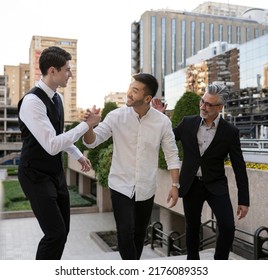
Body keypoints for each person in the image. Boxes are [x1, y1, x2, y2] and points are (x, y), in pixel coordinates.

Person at [83, 73, 181, 260]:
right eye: (130, 88)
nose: (129, 93)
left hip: (146, 187)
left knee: (139, 234)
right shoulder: (116, 116)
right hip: (120, 185)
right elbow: (92, 142)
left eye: (134, 91)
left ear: (147, 98)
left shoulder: (162, 122)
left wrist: (175, 186)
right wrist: (88, 126)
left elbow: (172, 155)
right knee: (125, 232)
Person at [17, 46, 101, 260]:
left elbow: (59, 134)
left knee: (62, 232)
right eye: (67, 69)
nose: (70, 74)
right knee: (55, 234)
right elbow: (52, 145)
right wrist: (86, 125)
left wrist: (78, 154)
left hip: (55, 173)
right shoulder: (32, 102)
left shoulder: (58, 98)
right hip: (34, 175)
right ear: (52, 70)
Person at [152, 84, 249, 260]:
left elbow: (239, 167)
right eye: (202, 102)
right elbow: (168, 138)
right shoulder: (188, 122)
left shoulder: (230, 132)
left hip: (216, 185)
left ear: (220, 107)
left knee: (227, 226)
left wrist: (244, 200)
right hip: (191, 184)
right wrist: (160, 117)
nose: (203, 107)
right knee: (192, 227)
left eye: (208, 105)